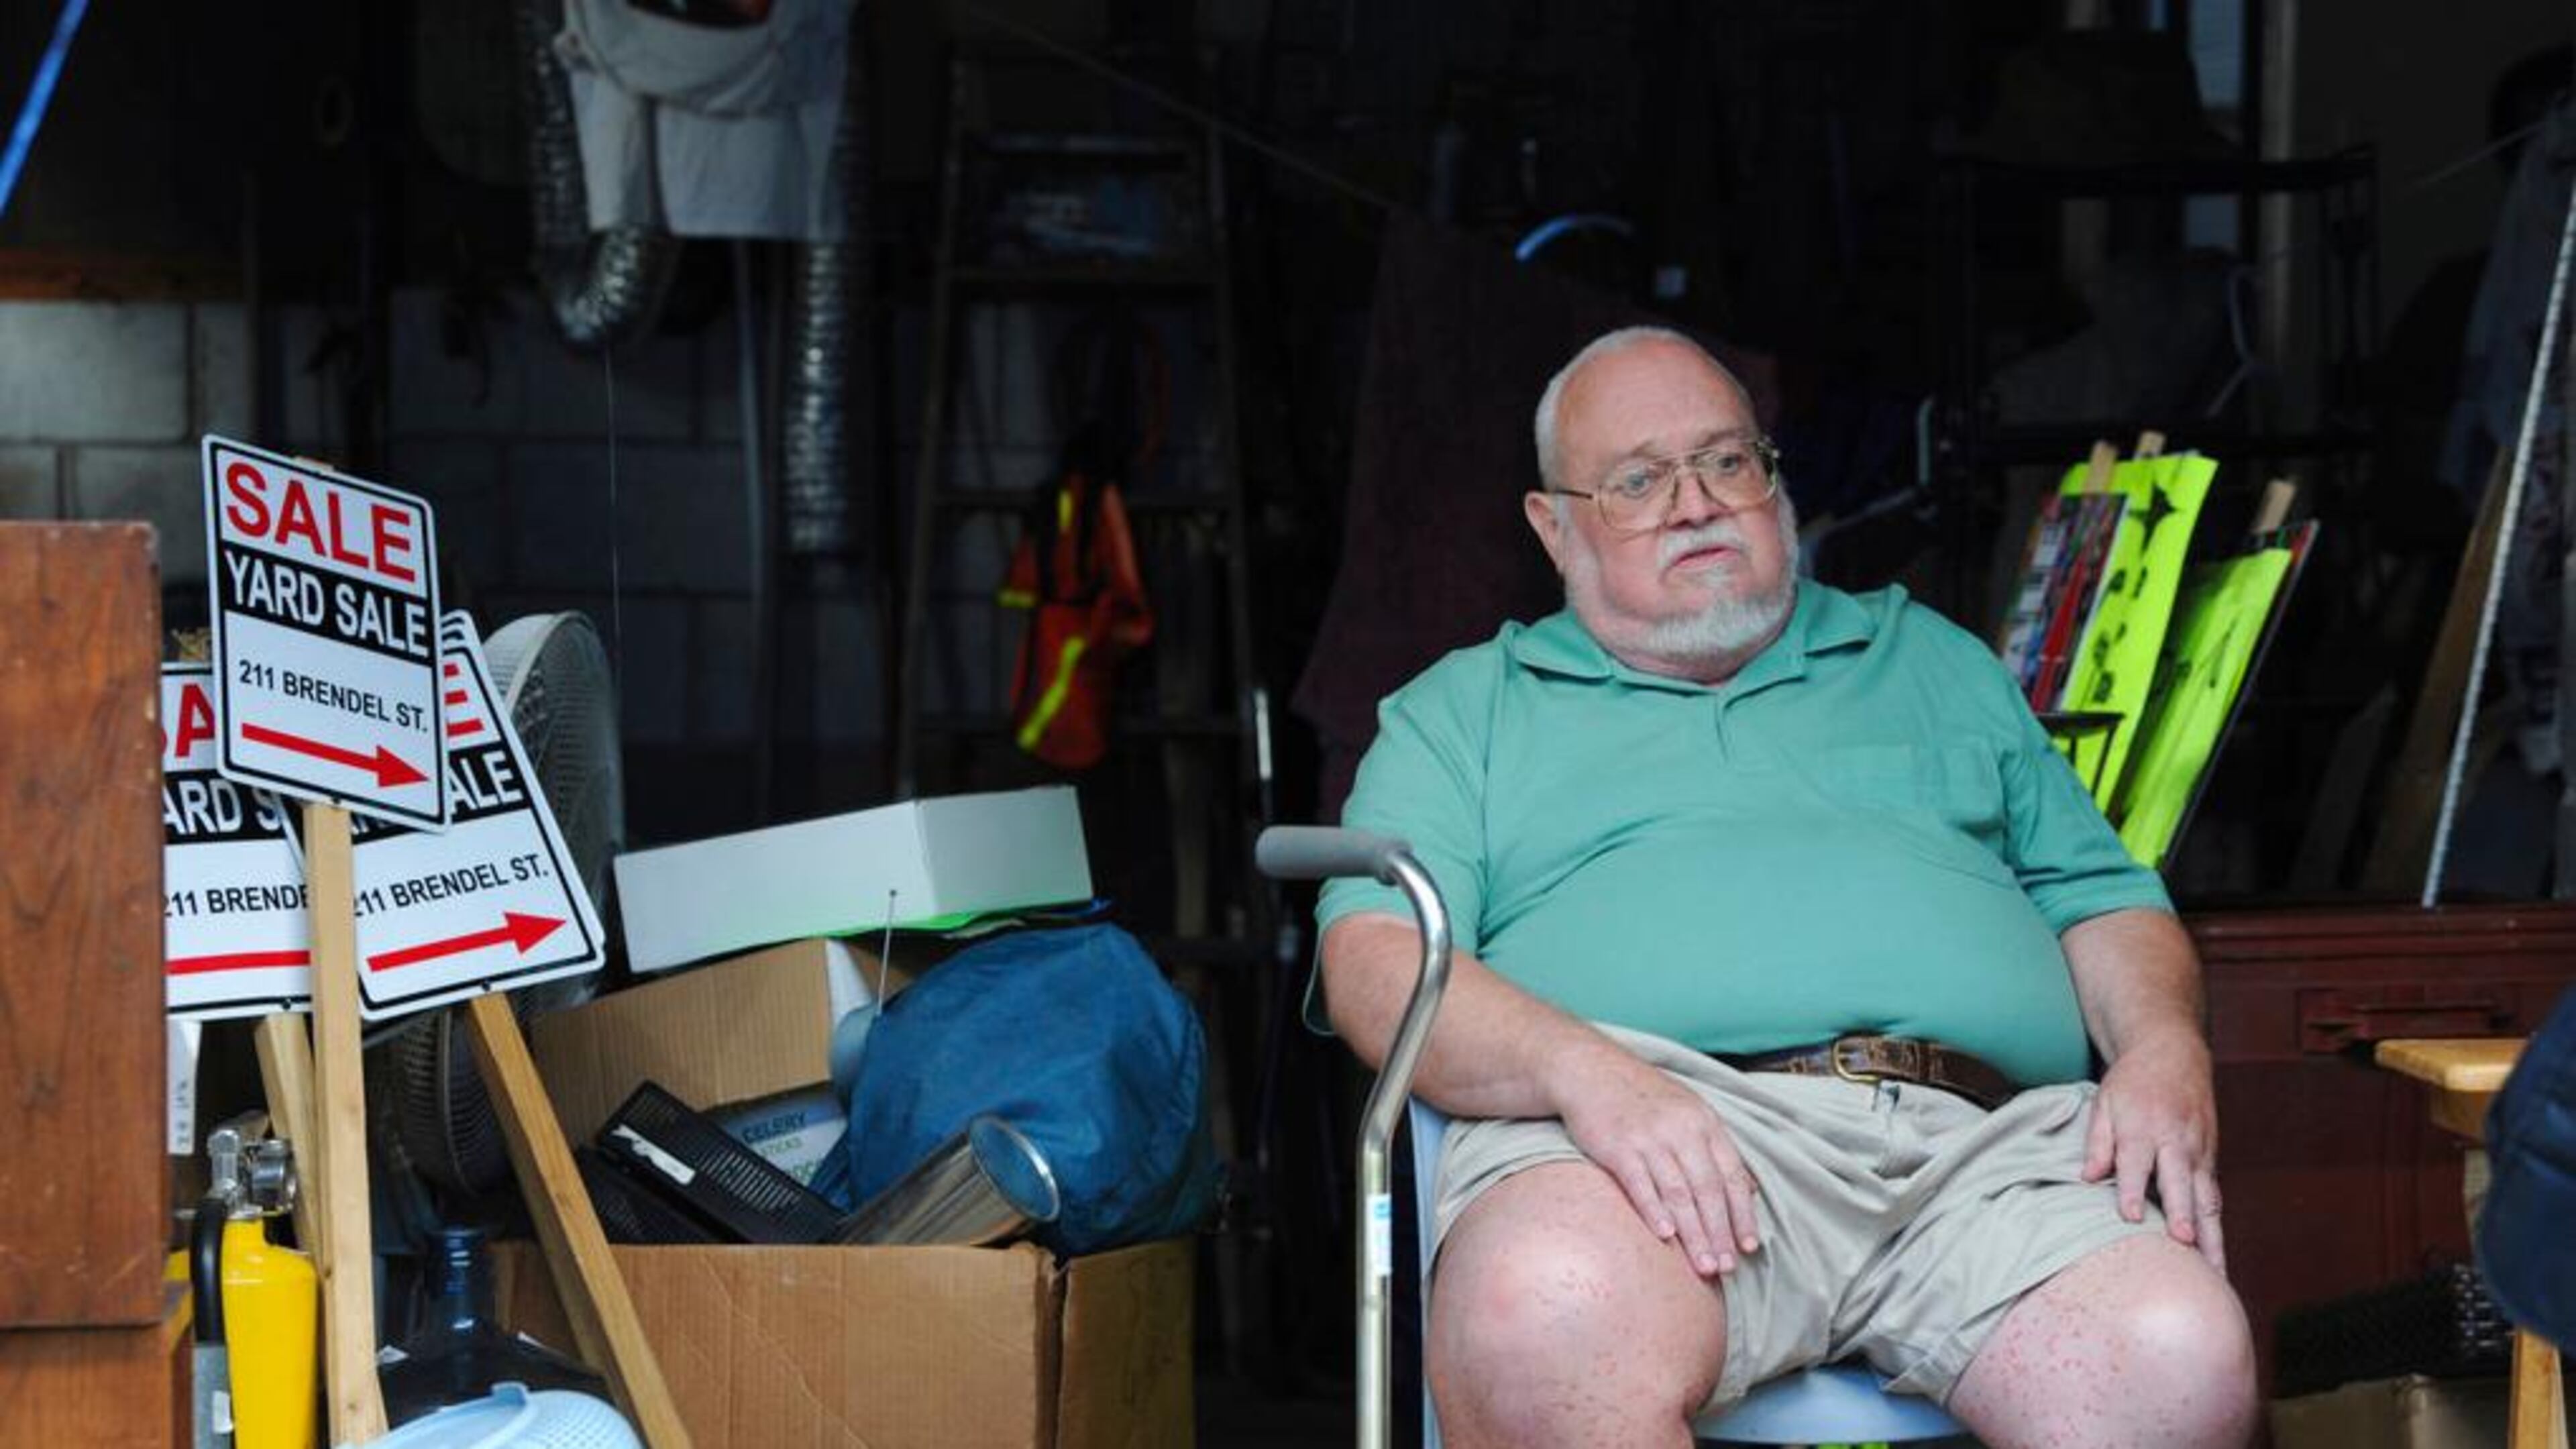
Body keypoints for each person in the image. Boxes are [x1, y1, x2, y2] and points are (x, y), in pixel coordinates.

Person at [1316, 327, 2257, 1448]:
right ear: (1552, 525)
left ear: (1774, 481)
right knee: (1542, 1315)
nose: (1696, 503)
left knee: (2177, 1352)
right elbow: (1379, 963)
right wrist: (1588, 1075)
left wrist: (2162, 1047)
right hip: (1644, 1151)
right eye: (1636, 480)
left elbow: (2101, 894)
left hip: (1986, 1156)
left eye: (1728, 461)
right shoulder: (1464, 713)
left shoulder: (1931, 662)